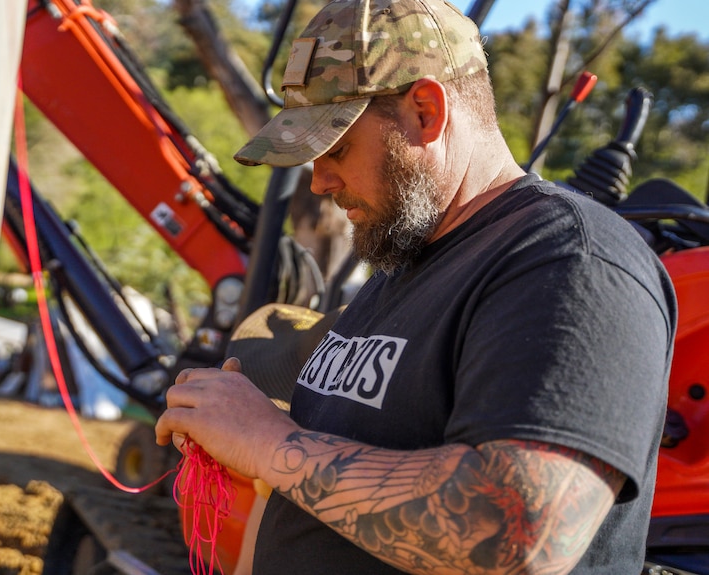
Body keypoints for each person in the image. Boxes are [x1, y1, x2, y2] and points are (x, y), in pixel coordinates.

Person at [155, 0, 677, 572]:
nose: (322, 180)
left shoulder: (571, 259)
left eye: (336, 148)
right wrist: (243, 429)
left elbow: (519, 532)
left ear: (426, 111)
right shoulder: (402, 268)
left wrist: (268, 442)